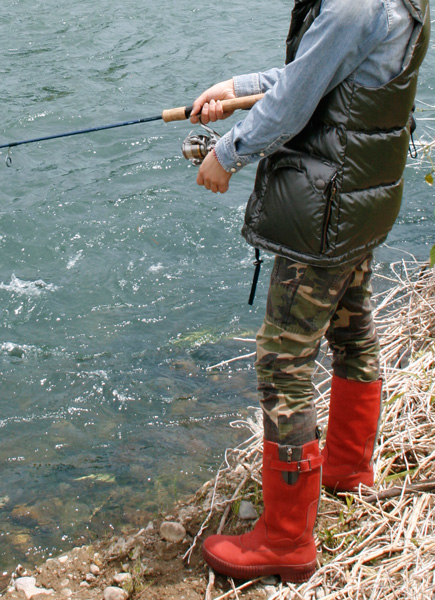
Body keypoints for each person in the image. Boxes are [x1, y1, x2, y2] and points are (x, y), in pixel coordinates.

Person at [190, 0, 430, 584]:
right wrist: (236, 85)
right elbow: (317, 77)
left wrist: (228, 153)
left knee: (282, 365)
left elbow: (295, 103)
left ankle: (287, 540)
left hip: (327, 209)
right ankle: (349, 471)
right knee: (353, 331)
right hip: (362, 199)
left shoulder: (352, 5)